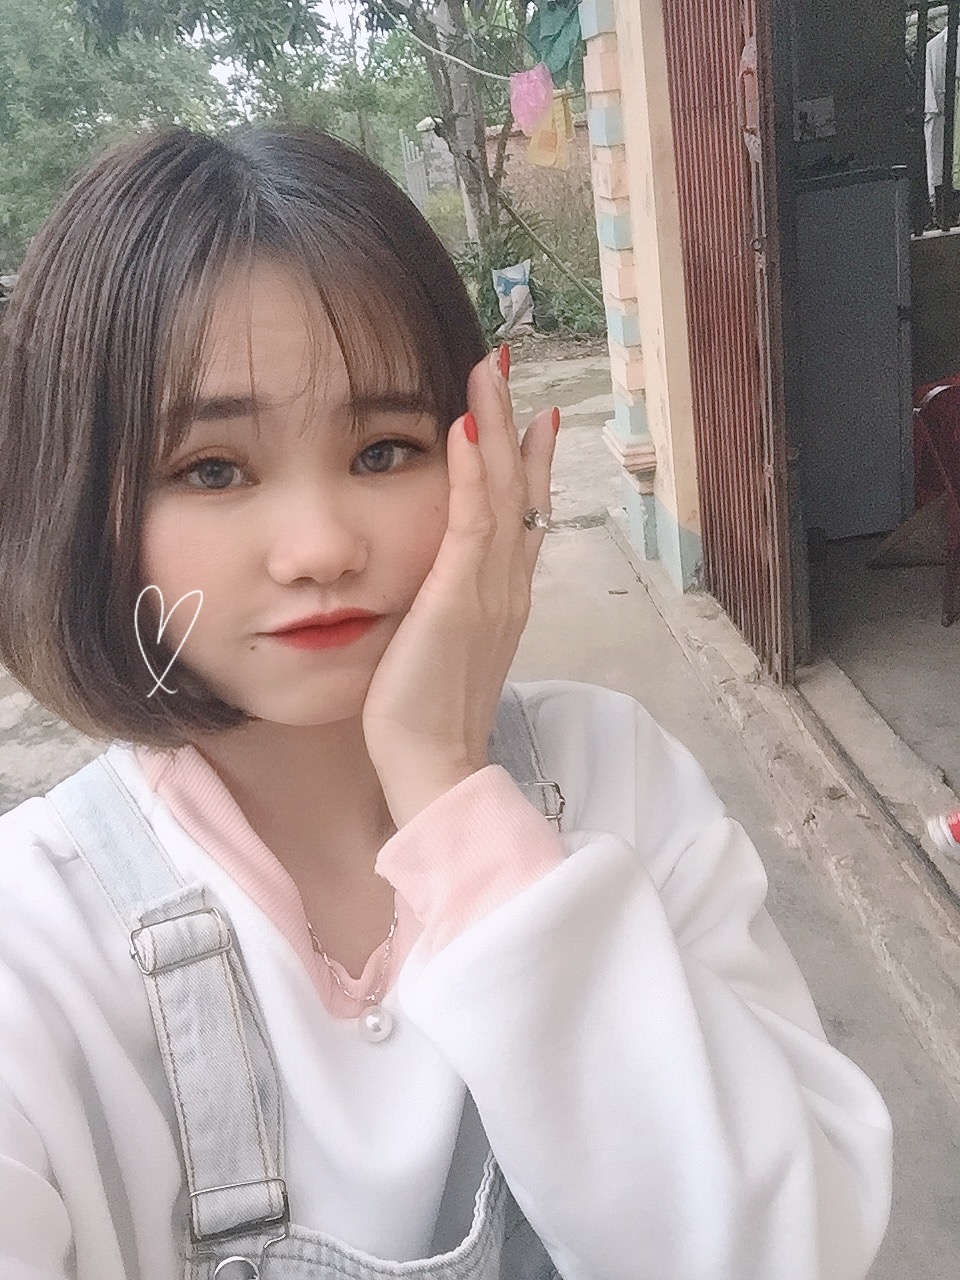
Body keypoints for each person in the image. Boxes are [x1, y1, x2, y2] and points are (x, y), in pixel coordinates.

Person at [0, 125, 891, 1280]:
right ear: (83, 503)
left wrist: (448, 786)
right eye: (212, 469)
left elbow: (794, 1248)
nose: (321, 547)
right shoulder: (35, 937)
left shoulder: (610, 775)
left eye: (383, 450)